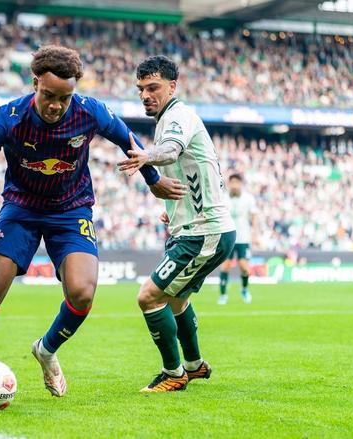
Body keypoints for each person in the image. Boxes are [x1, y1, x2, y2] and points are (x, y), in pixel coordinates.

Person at [0, 46, 187, 406]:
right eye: (49, 96)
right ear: (35, 83)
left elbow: (128, 139)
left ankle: (47, 349)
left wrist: (153, 179)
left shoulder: (89, 111)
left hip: (70, 210)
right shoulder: (9, 118)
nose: (56, 105)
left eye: (64, 98)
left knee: (82, 293)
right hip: (20, 209)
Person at [118, 55, 236, 392]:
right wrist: (175, 209)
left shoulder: (177, 116)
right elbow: (194, 169)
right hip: (199, 228)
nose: (145, 95)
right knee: (176, 300)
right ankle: (194, 366)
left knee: (148, 297)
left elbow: (170, 151)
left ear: (172, 86)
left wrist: (146, 156)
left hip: (203, 233)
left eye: (153, 87)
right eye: (141, 89)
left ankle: (173, 373)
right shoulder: (170, 118)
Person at [218, 173, 257, 305]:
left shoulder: (249, 198)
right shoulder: (223, 198)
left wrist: (255, 234)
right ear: (229, 184)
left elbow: (254, 216)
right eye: (232, 183)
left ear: (241, 184)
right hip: (227, 237)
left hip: (243, 238)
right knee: (225, 266)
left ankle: (244, 289)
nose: (234, 185)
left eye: (237, 183)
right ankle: (223, 295)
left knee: (244, 267)